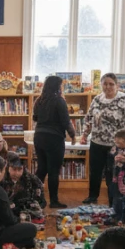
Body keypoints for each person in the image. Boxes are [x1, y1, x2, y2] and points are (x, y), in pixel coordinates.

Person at [80, 74, 125, 205]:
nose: (108, 87)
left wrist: (124, 140)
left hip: (115, 145)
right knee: (95, 172)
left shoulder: (124, 99)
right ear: (101, 85)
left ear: (117, 85)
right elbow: (89, 118)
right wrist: (84, 135)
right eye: (105, 84)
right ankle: (92, 196)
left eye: (111, 84)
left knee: (113, 173)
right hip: (97, 142)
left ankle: (113, 199)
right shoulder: (97, 99)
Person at [32, 75, 78, 208]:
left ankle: (35, 197)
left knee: (41, 169)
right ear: (58, 87)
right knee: (53, 171)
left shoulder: (39, 100)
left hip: (39, 136)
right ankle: (54, 201)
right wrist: (73, 136)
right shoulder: (59, 101)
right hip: (54, 138)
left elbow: (35, 118)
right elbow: (66, 122)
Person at [3, 152, 45, 219]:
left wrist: (36, 205)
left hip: (27, 210)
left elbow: (41, 200)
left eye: (20, 169)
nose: (17, 173)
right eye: (14, 169)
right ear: (8, 168)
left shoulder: (31, 179)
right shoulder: (1, 179)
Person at [107, 128, 125, 218]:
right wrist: (114, 158)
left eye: (120, 143)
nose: (117, 145)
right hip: (116, 176)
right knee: (114, 194)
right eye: (116, 142)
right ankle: (113, 211)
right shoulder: (114, 148)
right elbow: (110, 158)